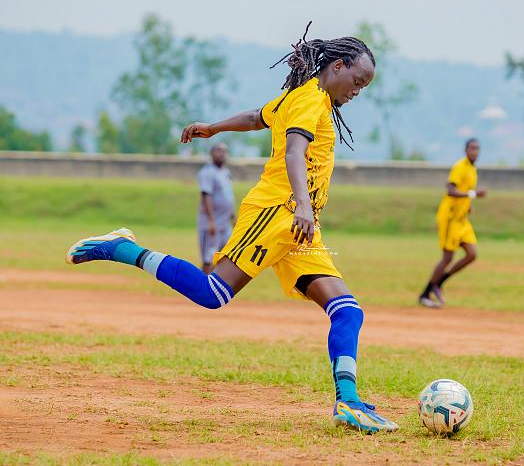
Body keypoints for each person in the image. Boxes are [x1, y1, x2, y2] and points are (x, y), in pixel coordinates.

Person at [65, 25, 398, 433]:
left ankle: (348, 402)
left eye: (365, 86)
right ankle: (120, 248)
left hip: (299, 227)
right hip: (277, 213)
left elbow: (258, 117)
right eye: (358, 81)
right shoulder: (310, 100)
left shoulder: (305, 98)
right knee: (213, 293)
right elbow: (294, 152)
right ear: (339, 65)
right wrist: (303, 205)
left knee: (347, 310)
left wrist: (214, 127)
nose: (358, 91)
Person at [419, 139, 486, 308]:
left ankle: (439, 282)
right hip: (450, 218)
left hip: (462, 219)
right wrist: (472, 195)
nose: (475, 151)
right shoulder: (460, 167)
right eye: (472, 148)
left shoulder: (472, 169)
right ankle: (425, 294)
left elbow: (463, 191)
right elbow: (451, 190)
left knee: (471, 255)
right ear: (465, 150)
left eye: (477, 148)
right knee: (447, 257)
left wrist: (467, 206)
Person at [197, 143, 235, 274]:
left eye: (225, 151)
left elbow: (228, 196)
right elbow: (206, 195)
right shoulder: (207, 172)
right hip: (212, 224)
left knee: (224, 256)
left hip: (225, 224)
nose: (222, 153)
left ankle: (214, 282)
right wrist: (211, 221)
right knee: (209, 258)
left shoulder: (225, 172)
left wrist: (233, 217)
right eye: (219, 150)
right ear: (212, 153)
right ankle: (202, 283)